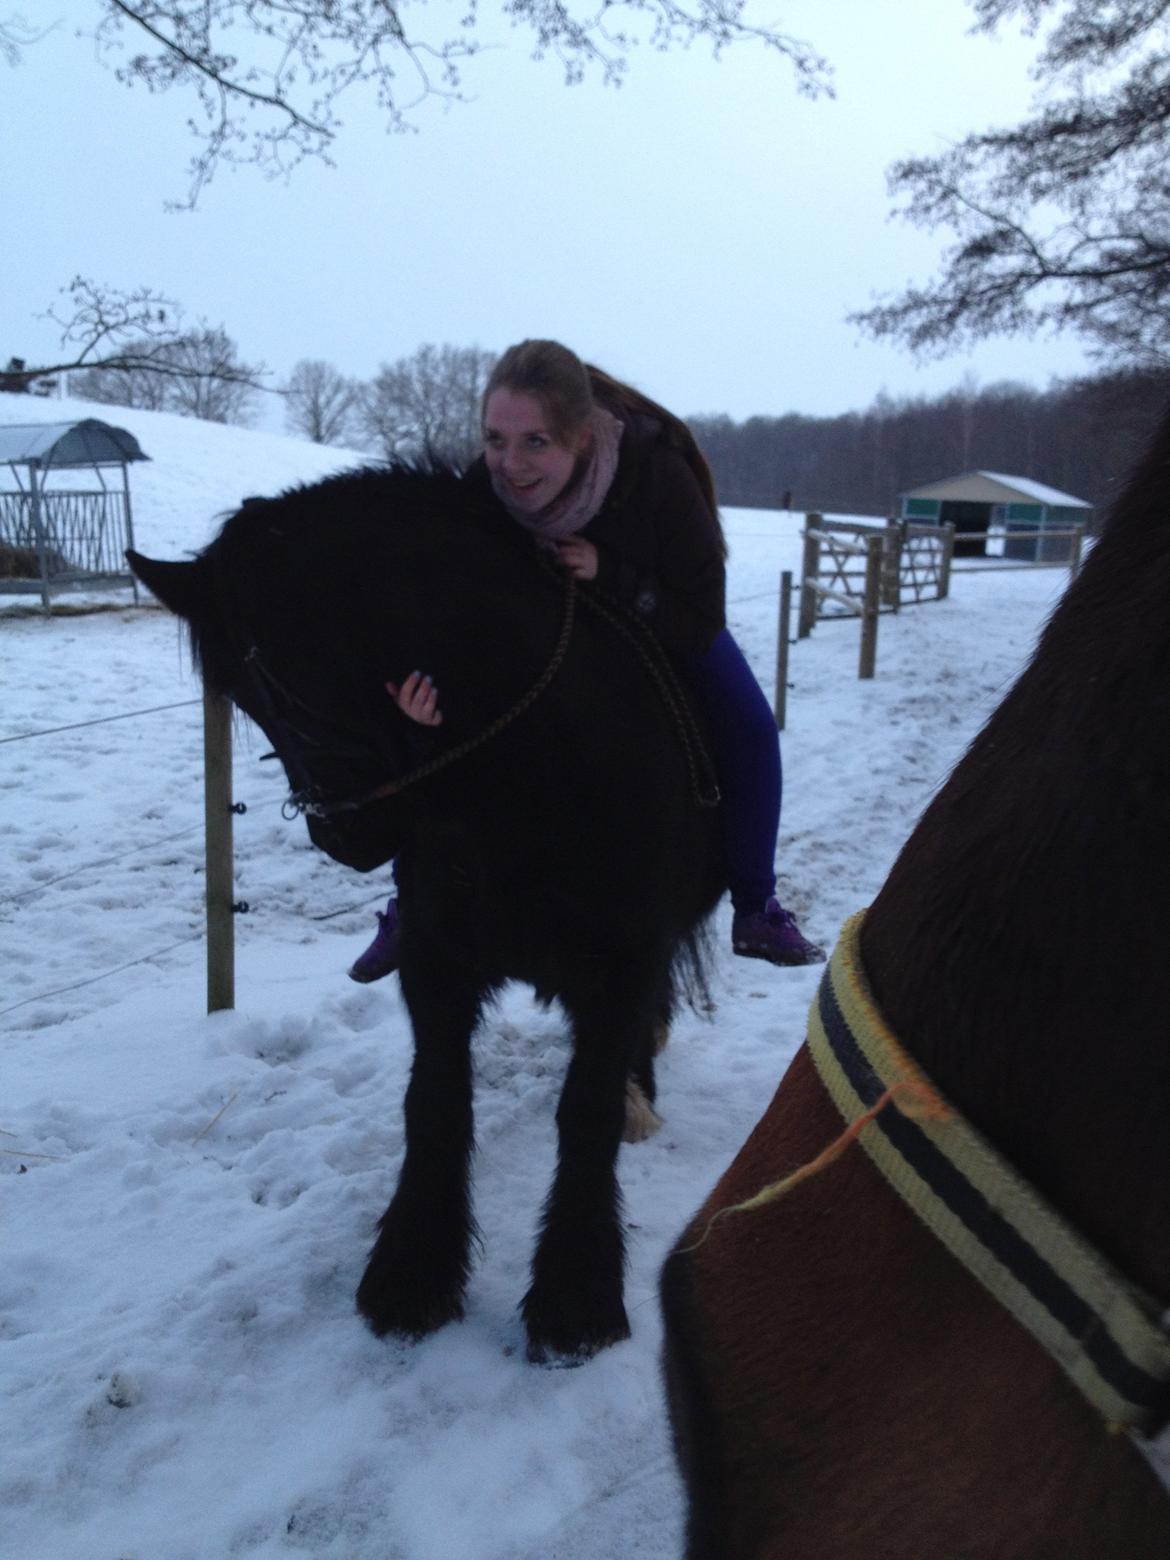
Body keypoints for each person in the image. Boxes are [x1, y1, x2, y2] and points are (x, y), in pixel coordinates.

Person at [349, 340, 824, 982]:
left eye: (535, 443)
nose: (509, 465)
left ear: (578, 437)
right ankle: (412, 906)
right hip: (531, 642)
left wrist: (614, 575)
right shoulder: (478, 491)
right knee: (432, 740)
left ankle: (755, 902)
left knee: (749, 727)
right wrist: (415, 683)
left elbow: (700, 616)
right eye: (494, 439)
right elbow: (435, 604)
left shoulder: (656, 475)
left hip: (657, 618)